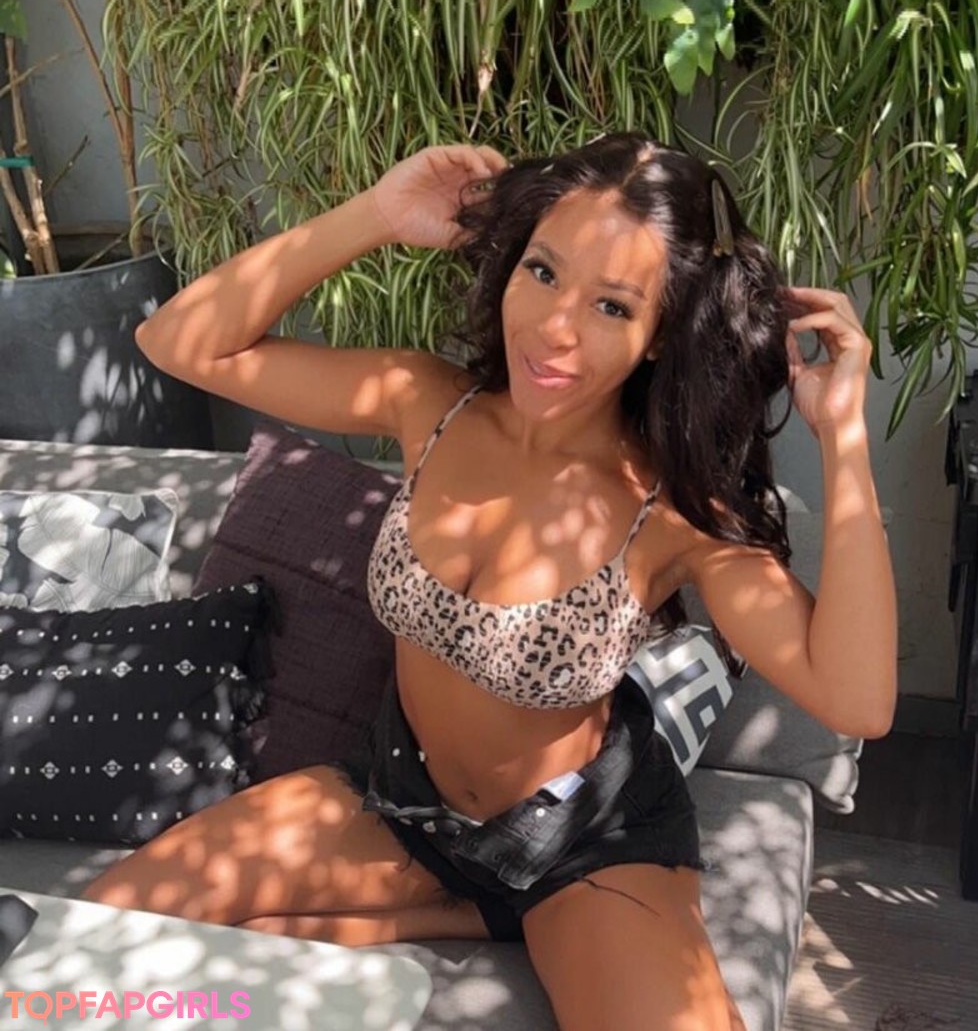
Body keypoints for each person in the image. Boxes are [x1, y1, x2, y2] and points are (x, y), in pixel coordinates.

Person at [83, 133, 897, 1031]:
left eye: (612, 306)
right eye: (543, 273)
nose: (554, 328)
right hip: (399, 804)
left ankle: (497, 910)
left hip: (582, 847)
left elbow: (857, 701)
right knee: (95, 940)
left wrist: (844, 440)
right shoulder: (426, 402)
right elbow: (177, 342)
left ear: (661, 334)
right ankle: (472, 907)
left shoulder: (671, 512)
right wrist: (376, 215)